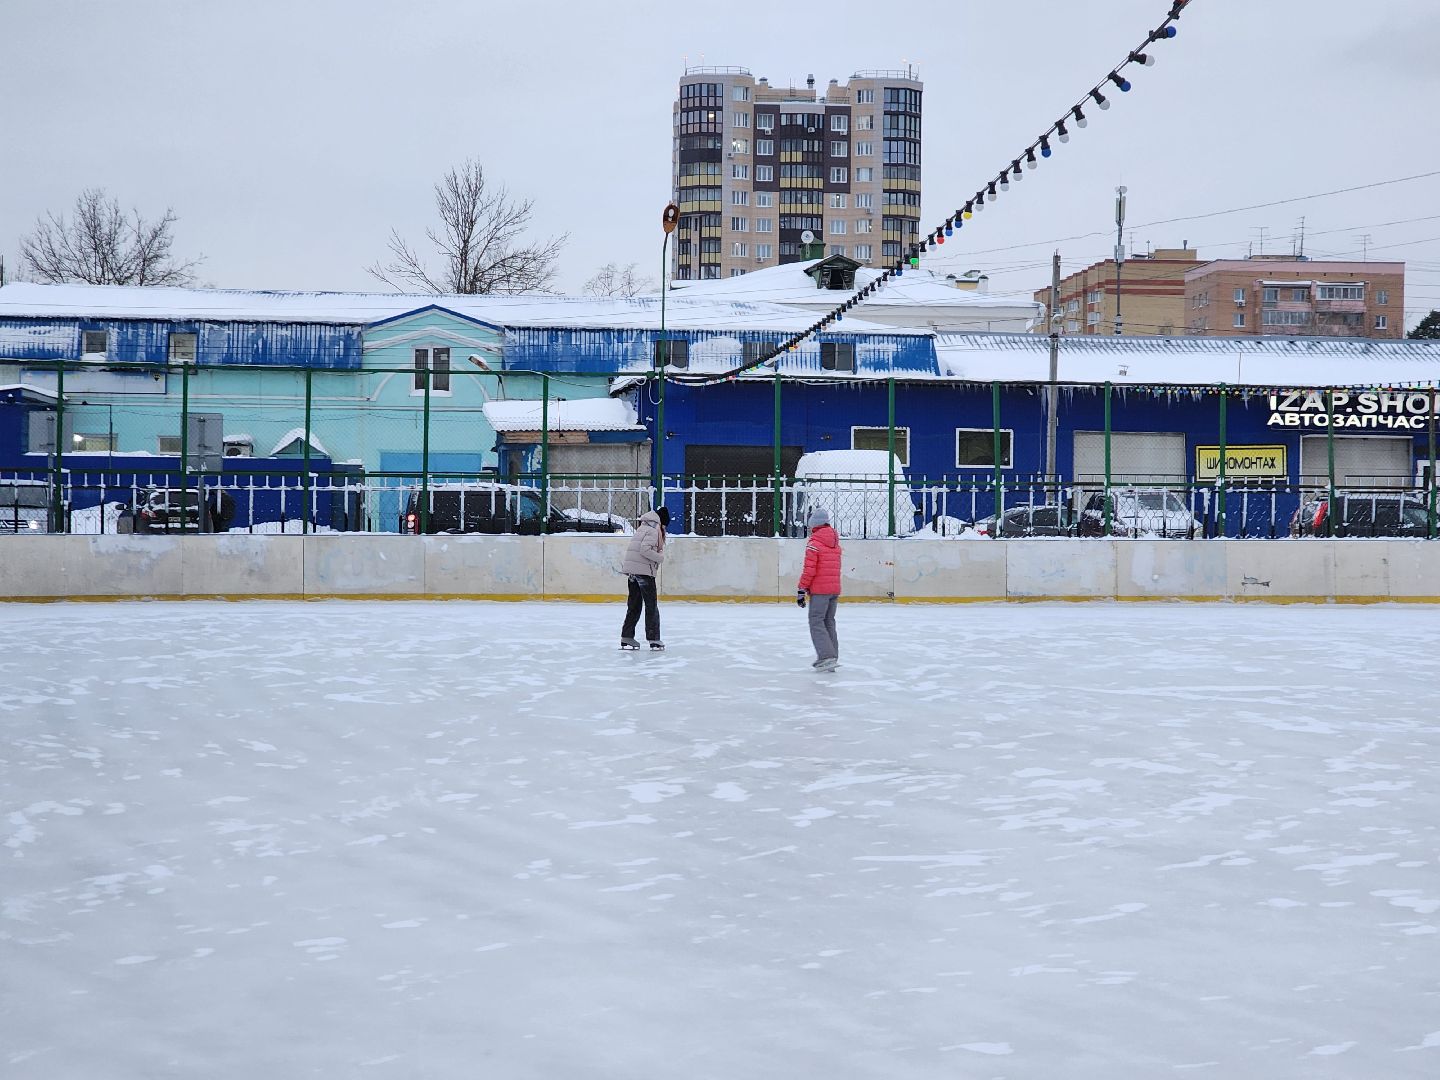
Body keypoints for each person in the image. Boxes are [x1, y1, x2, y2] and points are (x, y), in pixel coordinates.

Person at [797, 506, 842, 671]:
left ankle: (826, 656)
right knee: (829, 622)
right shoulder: (835, 544)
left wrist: (801, 590)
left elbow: (809, 570)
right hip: (834, 590)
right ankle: (832, 656)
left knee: (816, 621)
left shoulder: (814, 544)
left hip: (820, 591)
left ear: (814, 526)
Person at [620, 505, 669, 650]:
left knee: (634, 606)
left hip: (633, 572)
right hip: (643, 572)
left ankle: (627, 636)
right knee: (651, 606)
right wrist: (660, 558)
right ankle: (654, 639)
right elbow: (645, 550)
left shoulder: (644, 526)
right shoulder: (654, 530)